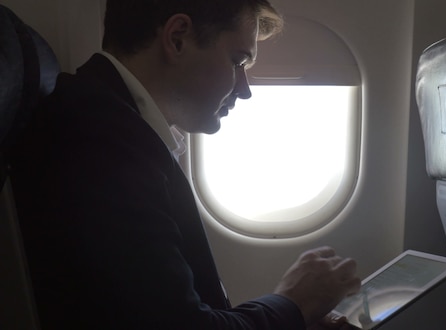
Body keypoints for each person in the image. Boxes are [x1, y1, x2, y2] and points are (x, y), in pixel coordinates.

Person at [9, 0, 361, 329]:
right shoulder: (100, 145)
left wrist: (291, 315)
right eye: (238, 61)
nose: (245, 89)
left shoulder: (119, 129)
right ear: (177, 38)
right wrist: (293, 303)